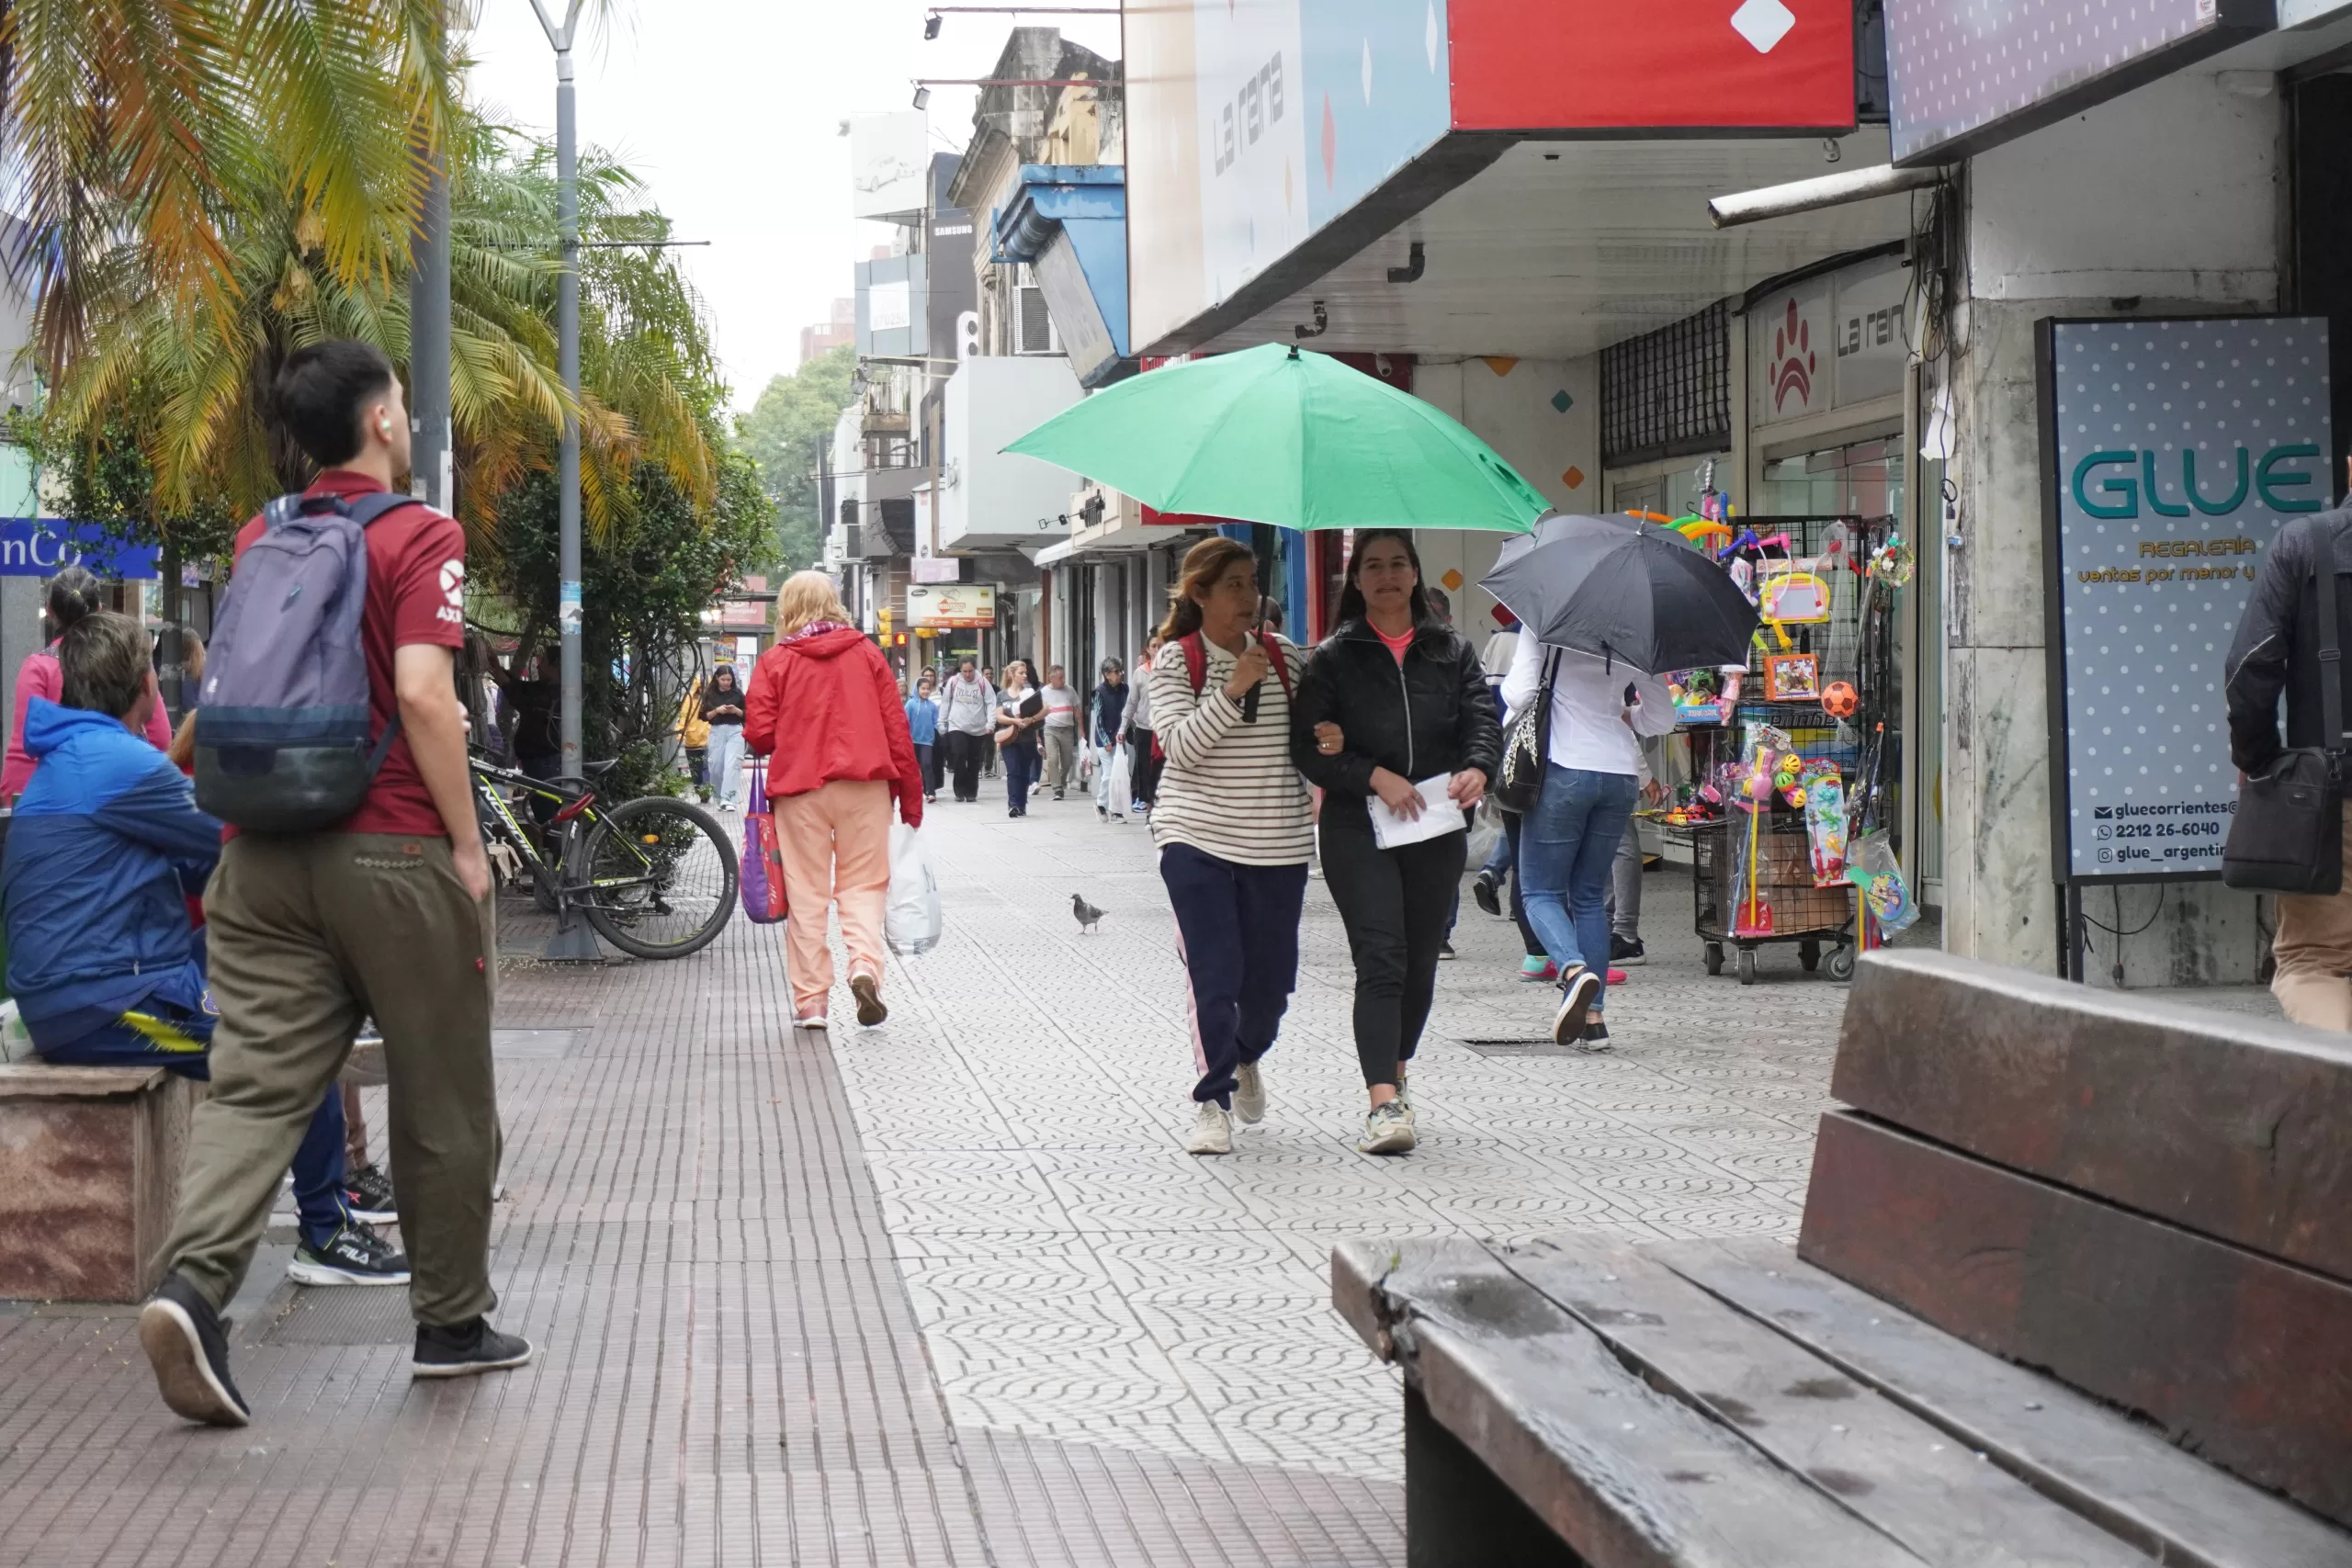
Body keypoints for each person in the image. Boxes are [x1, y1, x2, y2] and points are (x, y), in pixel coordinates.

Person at [140, 340, 525, 1429]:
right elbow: (422, 696)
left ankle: (191, 1291)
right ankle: (450, 1324)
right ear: (384, 424)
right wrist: (464, 842)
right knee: (442, 1088)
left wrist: (178, 780)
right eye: (400, 402)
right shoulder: (421, 536)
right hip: (393, 850)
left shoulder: (264, 534)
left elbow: (227, 689)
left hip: (260, 855)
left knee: (257, 1088)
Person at [1, 612, 405, 1290]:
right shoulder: (122, 765)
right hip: (106, 1003)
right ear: (141, 688)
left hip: (89, 983)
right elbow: (231, 839)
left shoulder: (68, 759)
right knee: (290, 1045)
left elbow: (197, 871)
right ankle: (326, 1230)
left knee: (266, 950)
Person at [1294, 533, 1498, 1155]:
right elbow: (1308, 746)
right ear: (1357, 580)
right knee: (1381, 956)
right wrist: (1371, 775)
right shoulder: (1333, 657)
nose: (1386, 576)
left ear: (1415, 576)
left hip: (1433, 827)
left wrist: (1478, 766)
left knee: (1419, 963)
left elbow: (1481, 720)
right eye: (1373, 566)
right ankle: (1383, 1100)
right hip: (1360, 827)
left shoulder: (1452, 650)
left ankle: (1397, 1065)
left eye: (1398, 565)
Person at [1148, 538, 1313, 1156]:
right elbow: (1181, 748)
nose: (1248, 597)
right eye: (1234, 585)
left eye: (1251, 583)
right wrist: (1232, 688)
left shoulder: (1286, 658)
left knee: (1271, 989)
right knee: (1215, 976)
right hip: (1197, 837)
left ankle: (1247, 1055)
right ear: (1201, 594)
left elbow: (1306, 742)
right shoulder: (1176, 660)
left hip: (1277, 842)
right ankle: (1211, 1099)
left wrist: (1324, 737)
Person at [742, 572, 924, 1030]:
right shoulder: (866, 653)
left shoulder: (776, 660)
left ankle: (812, 1004)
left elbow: (760, 734)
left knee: (806, 894)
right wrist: (911, 798)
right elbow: (895, 728)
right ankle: (863, 966)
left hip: (801, 790)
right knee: (863, 885)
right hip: (866, 788)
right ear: (833, 603)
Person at [1502, 624, 1676, 1048]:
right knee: (1588, 898)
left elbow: (1520, 695)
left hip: (1564, 766)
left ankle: (1574, 970)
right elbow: (1662, 719)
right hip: (1618, 773)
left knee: (1539, 891)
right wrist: (1621, 713)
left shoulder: (1543, 622)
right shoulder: (1639, 629)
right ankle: (1594, 1020)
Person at [2227, 497, 2352, 1027]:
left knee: (2314, 963)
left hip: (2334, 804)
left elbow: (2251, 666)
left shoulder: (2307, 544)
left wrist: (2259, 762)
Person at [2, 567, 173, 802]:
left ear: (50, 611)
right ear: (100, 608)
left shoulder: (39, 668)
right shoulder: (127, 657)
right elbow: (160, 737)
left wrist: (14, 805)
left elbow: (24, 753)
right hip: (124, 792)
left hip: (57, 799)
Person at [938, 658, 996, 803]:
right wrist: (942, 722)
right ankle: (959, 790)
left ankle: (971, 792)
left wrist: (991, 724)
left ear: (974, 669)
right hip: (957, 725)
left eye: (970, 671)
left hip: (978, 728)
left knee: (974, 760)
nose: (967, 674)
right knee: (959, 755)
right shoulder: (953, 682)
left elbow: (991, 703)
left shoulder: (982, 682)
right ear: (960, 670)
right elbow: (946, 702)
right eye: (964, 671)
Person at [994, 659, 1045, 817]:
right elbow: (999, 717)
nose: (1024, 676)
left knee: (1024, 773)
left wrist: (1032, 719)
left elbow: (1045, 710)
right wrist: (1014, 721)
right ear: (1011, 674)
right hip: (1009, 739)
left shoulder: (1030, 692)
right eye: (1021, 673)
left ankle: (1022, 804)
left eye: (1025, 673)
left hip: (1028, 738)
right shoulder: (1002, 695)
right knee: (1013, 771)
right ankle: (1013, 805)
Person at [700, 663, 749, 811]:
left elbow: (747, 714)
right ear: (717, 678)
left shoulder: (738, 694)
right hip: (717, 730)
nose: (727, 683)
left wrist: (736, 711)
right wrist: (717, 710)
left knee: (732, 764)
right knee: (715, 767)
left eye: (729, 680)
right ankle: (719, 797)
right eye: (723, 679)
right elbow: (703, 716)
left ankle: (729, 799)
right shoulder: (710, 694)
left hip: (735, 730)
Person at [1125, 633, 1165, 811]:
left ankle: (1159, 806)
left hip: (1164, 729)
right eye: (1154, 646)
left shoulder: (1170, 670)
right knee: (1144, 770)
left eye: (1160, 645)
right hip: (1144, 728)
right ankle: (1148, 807)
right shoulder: (1140, 673)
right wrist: (1122, 728)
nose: (1157, 649)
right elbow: (1132, 702)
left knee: (1160, 770)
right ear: (1148, 650)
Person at [1089, 657, 1129, 819]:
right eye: (1116, 672)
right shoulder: (1099, 692)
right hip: (1104, 740)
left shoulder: (1124, 689)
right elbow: (1098, 719)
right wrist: (1106, 740)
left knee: (1119, 774)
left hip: (1120, 737)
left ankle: (1112, 808)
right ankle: (1103, 805)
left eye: (1121, 671)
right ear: (1106, 674)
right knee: (1109, 775)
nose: (1120, 675)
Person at [1039, 663, 1081, 800]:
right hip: (1051, 729)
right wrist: (1036, 736)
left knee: (1067, 762)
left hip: (1068, 730)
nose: (1063, 680)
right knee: (1053, 759)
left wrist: (1081, 729)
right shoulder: (1044, 692)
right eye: (1060, 677)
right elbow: (1037, 713)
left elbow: (1077, 711)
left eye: (1064, 677)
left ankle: (1061, 782)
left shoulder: (1070, 690)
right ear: (1051, 678)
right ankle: (1057, 789)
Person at [905, 668, 943, 803]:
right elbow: (905, 722)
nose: (926, 691)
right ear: (917, 689)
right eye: (923, 689)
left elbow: (936, 722)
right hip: (912, 740)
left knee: (927, 765)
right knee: (914, 767)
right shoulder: (910, 704)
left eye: (928, 689)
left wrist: (940, 729)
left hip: (927, 741)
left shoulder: (932, 706)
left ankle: (930, 792)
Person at [676, 674, 712, 802]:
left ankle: (706, 791)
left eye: (707, 686)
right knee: (695, 770)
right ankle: (700, 791)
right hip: (692, 740)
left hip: (708, 739)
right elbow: (683, 716)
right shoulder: (689, 699)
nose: (704, 689)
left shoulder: (712, 699)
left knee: (705, 767)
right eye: (702, 687)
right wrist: (681, 732)